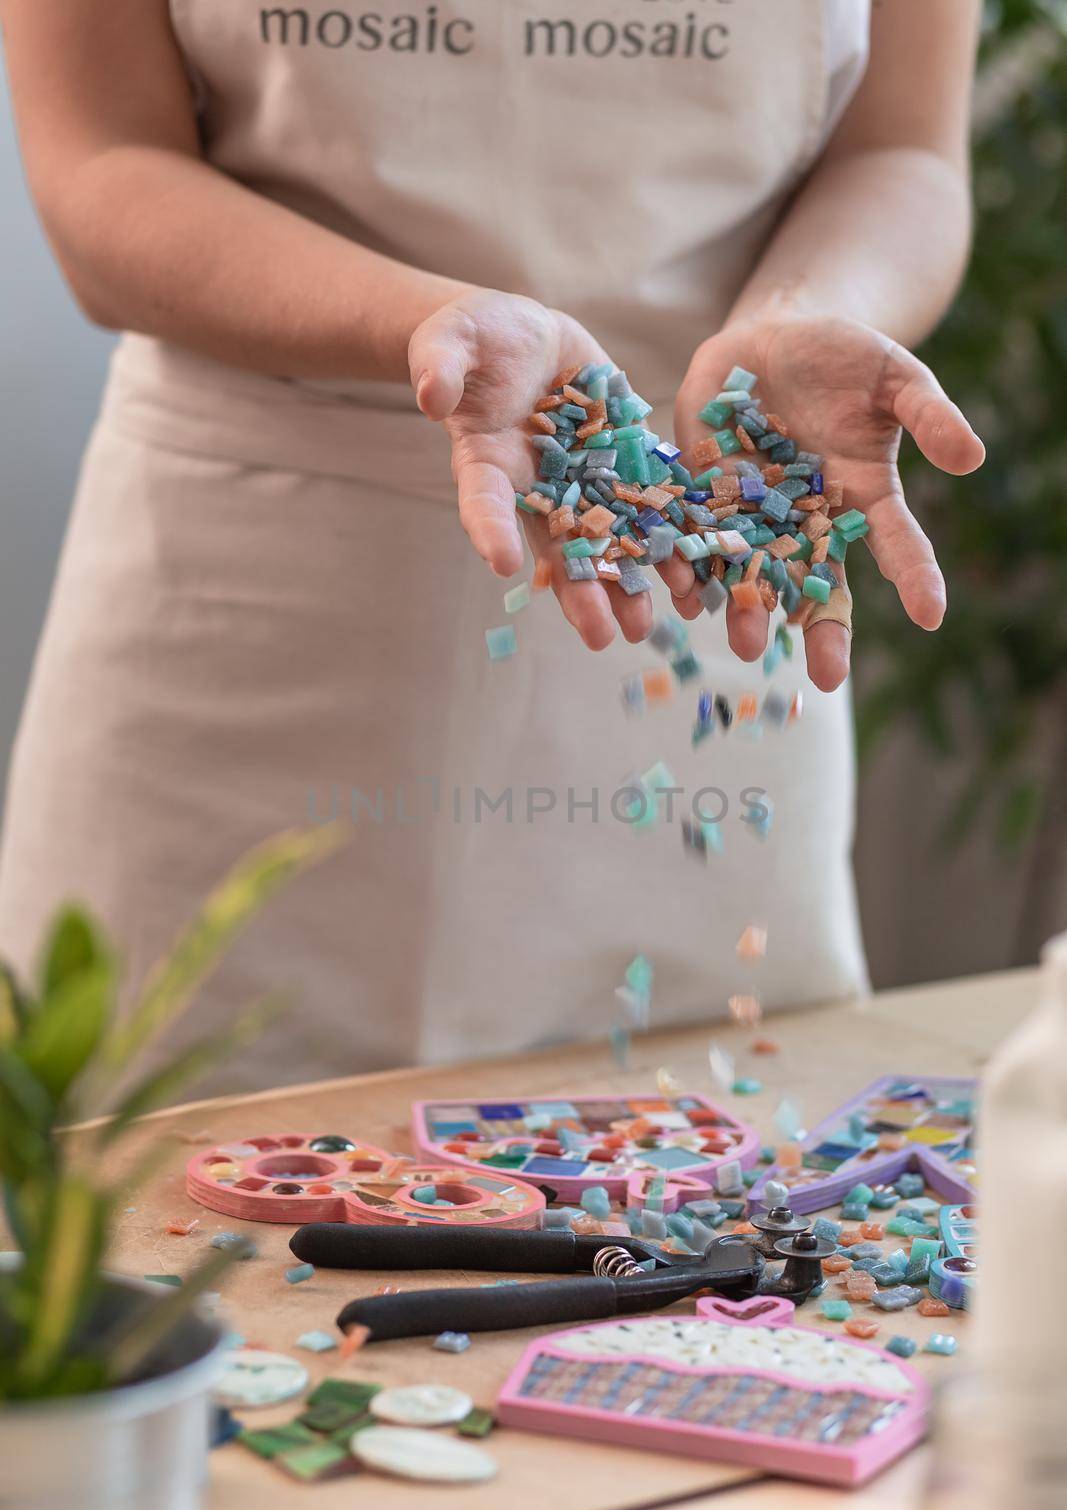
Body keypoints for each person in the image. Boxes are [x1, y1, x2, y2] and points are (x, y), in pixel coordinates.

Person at [0, 0, 984, 1090]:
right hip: (246, 571)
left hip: (692, 553)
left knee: (700, 1193)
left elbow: (899, 148)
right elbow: (101, 160)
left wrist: (799, 321)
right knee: (157, 1194)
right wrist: (425, 320)